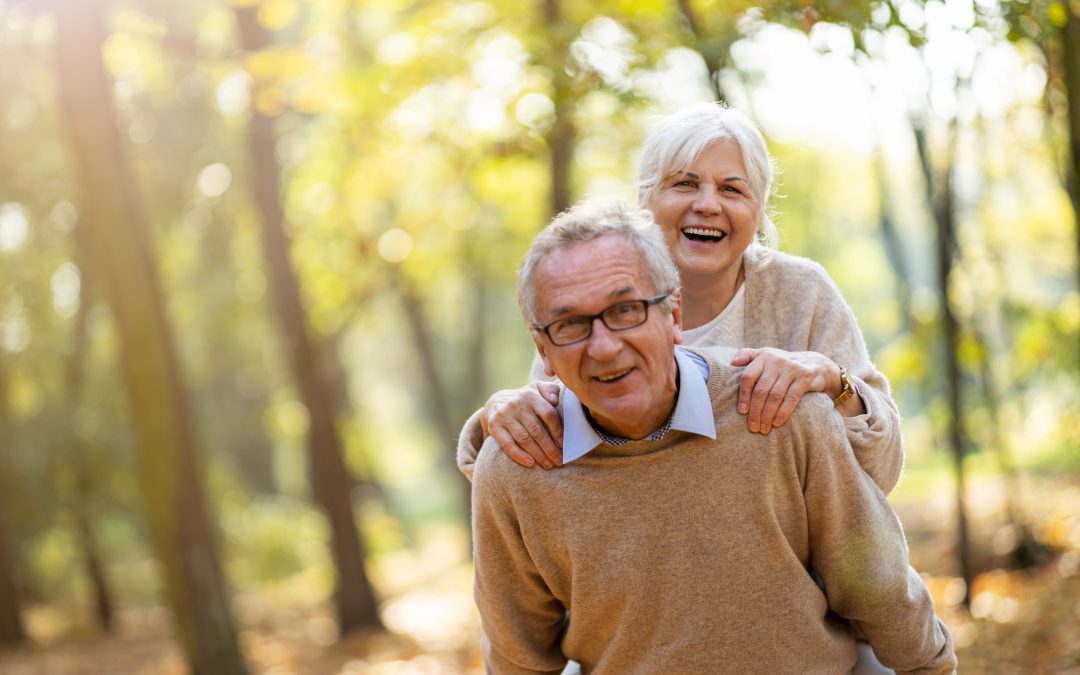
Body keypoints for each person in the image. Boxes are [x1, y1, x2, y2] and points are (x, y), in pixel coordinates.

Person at [471, 198, 955, 673]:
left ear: (674, 315)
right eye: (570, 323)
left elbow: (878, 585)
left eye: (625, 309)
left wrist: (931, 667)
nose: (603, 346)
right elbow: (519, 659)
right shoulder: (516, 469)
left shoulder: (782, 411)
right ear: (544, 348)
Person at [457, 103, 901, 501]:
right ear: (646, 200)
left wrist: (835, 381)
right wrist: (499, 415)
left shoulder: (801, 292)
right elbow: (545, 463)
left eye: (732, 189)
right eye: (685, 184)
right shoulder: (593, 299)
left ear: (759, 211)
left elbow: (881, 471)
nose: (707, 204)